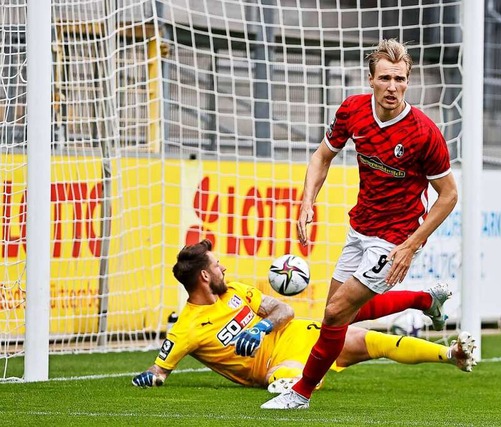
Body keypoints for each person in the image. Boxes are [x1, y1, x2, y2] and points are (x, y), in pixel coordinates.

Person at [261, 39, 469, 410]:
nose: (393, 86)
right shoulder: (353, 111)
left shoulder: (424, 133)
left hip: (397, 236)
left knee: (336, 311)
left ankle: (301, 392)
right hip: (361, 226)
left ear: (408, 81)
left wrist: (409, 245)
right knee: (339, 317)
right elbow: (322, 156)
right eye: (386, 78)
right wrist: (307, 200)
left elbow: (449, 195)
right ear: (370, 80)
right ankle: (426, 301)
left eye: (401, 79)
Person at [131, 239, 475, 393]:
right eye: (215, 266)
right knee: (287, 378)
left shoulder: (235, 289)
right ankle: (425, 301)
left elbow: (283, 308)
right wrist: (153, 377)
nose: (223, 267)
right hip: (270, 367)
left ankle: (450, 355)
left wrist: (263, 326)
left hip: (299, 334)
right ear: (204, 277)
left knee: (371, 339)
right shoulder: (187, 328)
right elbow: (159, 368)